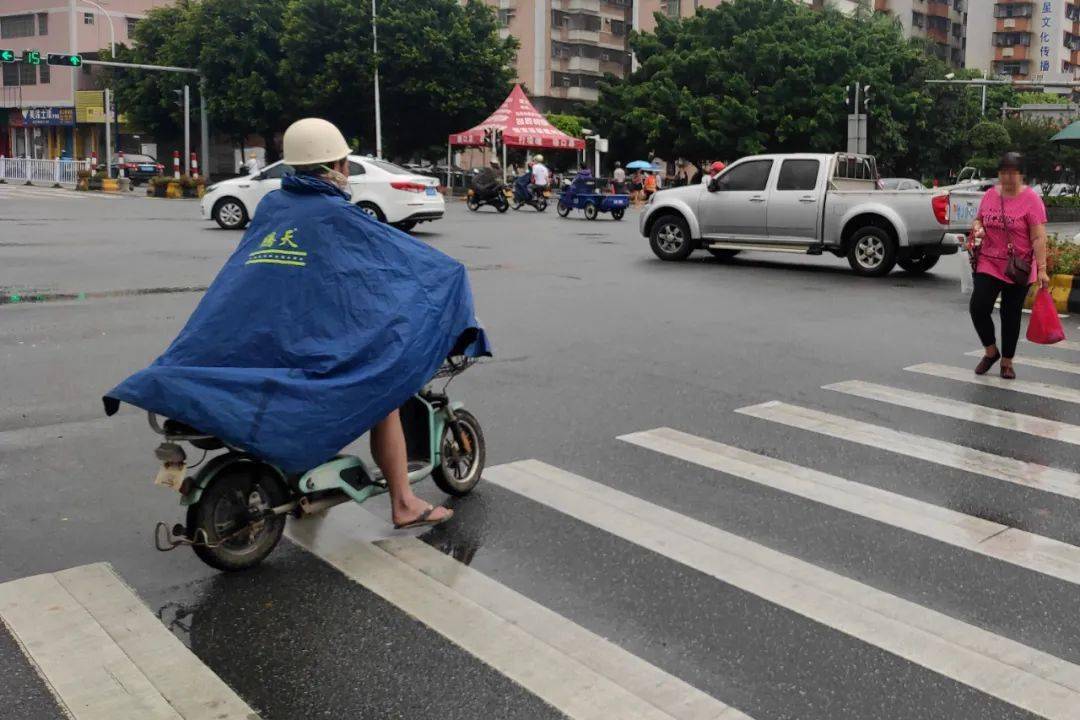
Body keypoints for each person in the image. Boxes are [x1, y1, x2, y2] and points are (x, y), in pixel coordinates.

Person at [105, 118, 489, 530]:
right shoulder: (336, 215)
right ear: (337, 167)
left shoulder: (273, 206)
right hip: (313, 342)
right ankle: (404, 502)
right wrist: (449, 278)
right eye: (344, 166)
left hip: (267, 334)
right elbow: (395, 264)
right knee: (384, 392)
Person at [967, 151, 1050, 380]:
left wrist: (1042, 269)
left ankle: (1007, 361)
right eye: (1003, 173)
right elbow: (979, 219)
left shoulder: (1032, 199)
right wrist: (978, 228)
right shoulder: (990, 195)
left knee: (1010, 313)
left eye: (1012, 173)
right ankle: (991, 351)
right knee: (978, 307)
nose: (1007, 178)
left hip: (1018, 266)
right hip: (989, 261)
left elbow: (1038, 237)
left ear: (1021, 175)